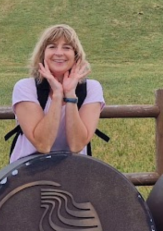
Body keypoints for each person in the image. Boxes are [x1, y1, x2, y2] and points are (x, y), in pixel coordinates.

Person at [8, 24, 104, 164]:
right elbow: (43, 145)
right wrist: (57, 96)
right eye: (52, 46)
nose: (59, 53)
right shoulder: (25, 87)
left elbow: (77, 145)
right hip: (28, 172)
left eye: (67, 47)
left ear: (76, 55)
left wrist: (70, 94)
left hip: (73, 170)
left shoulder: (91, 88)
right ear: (42, 54)